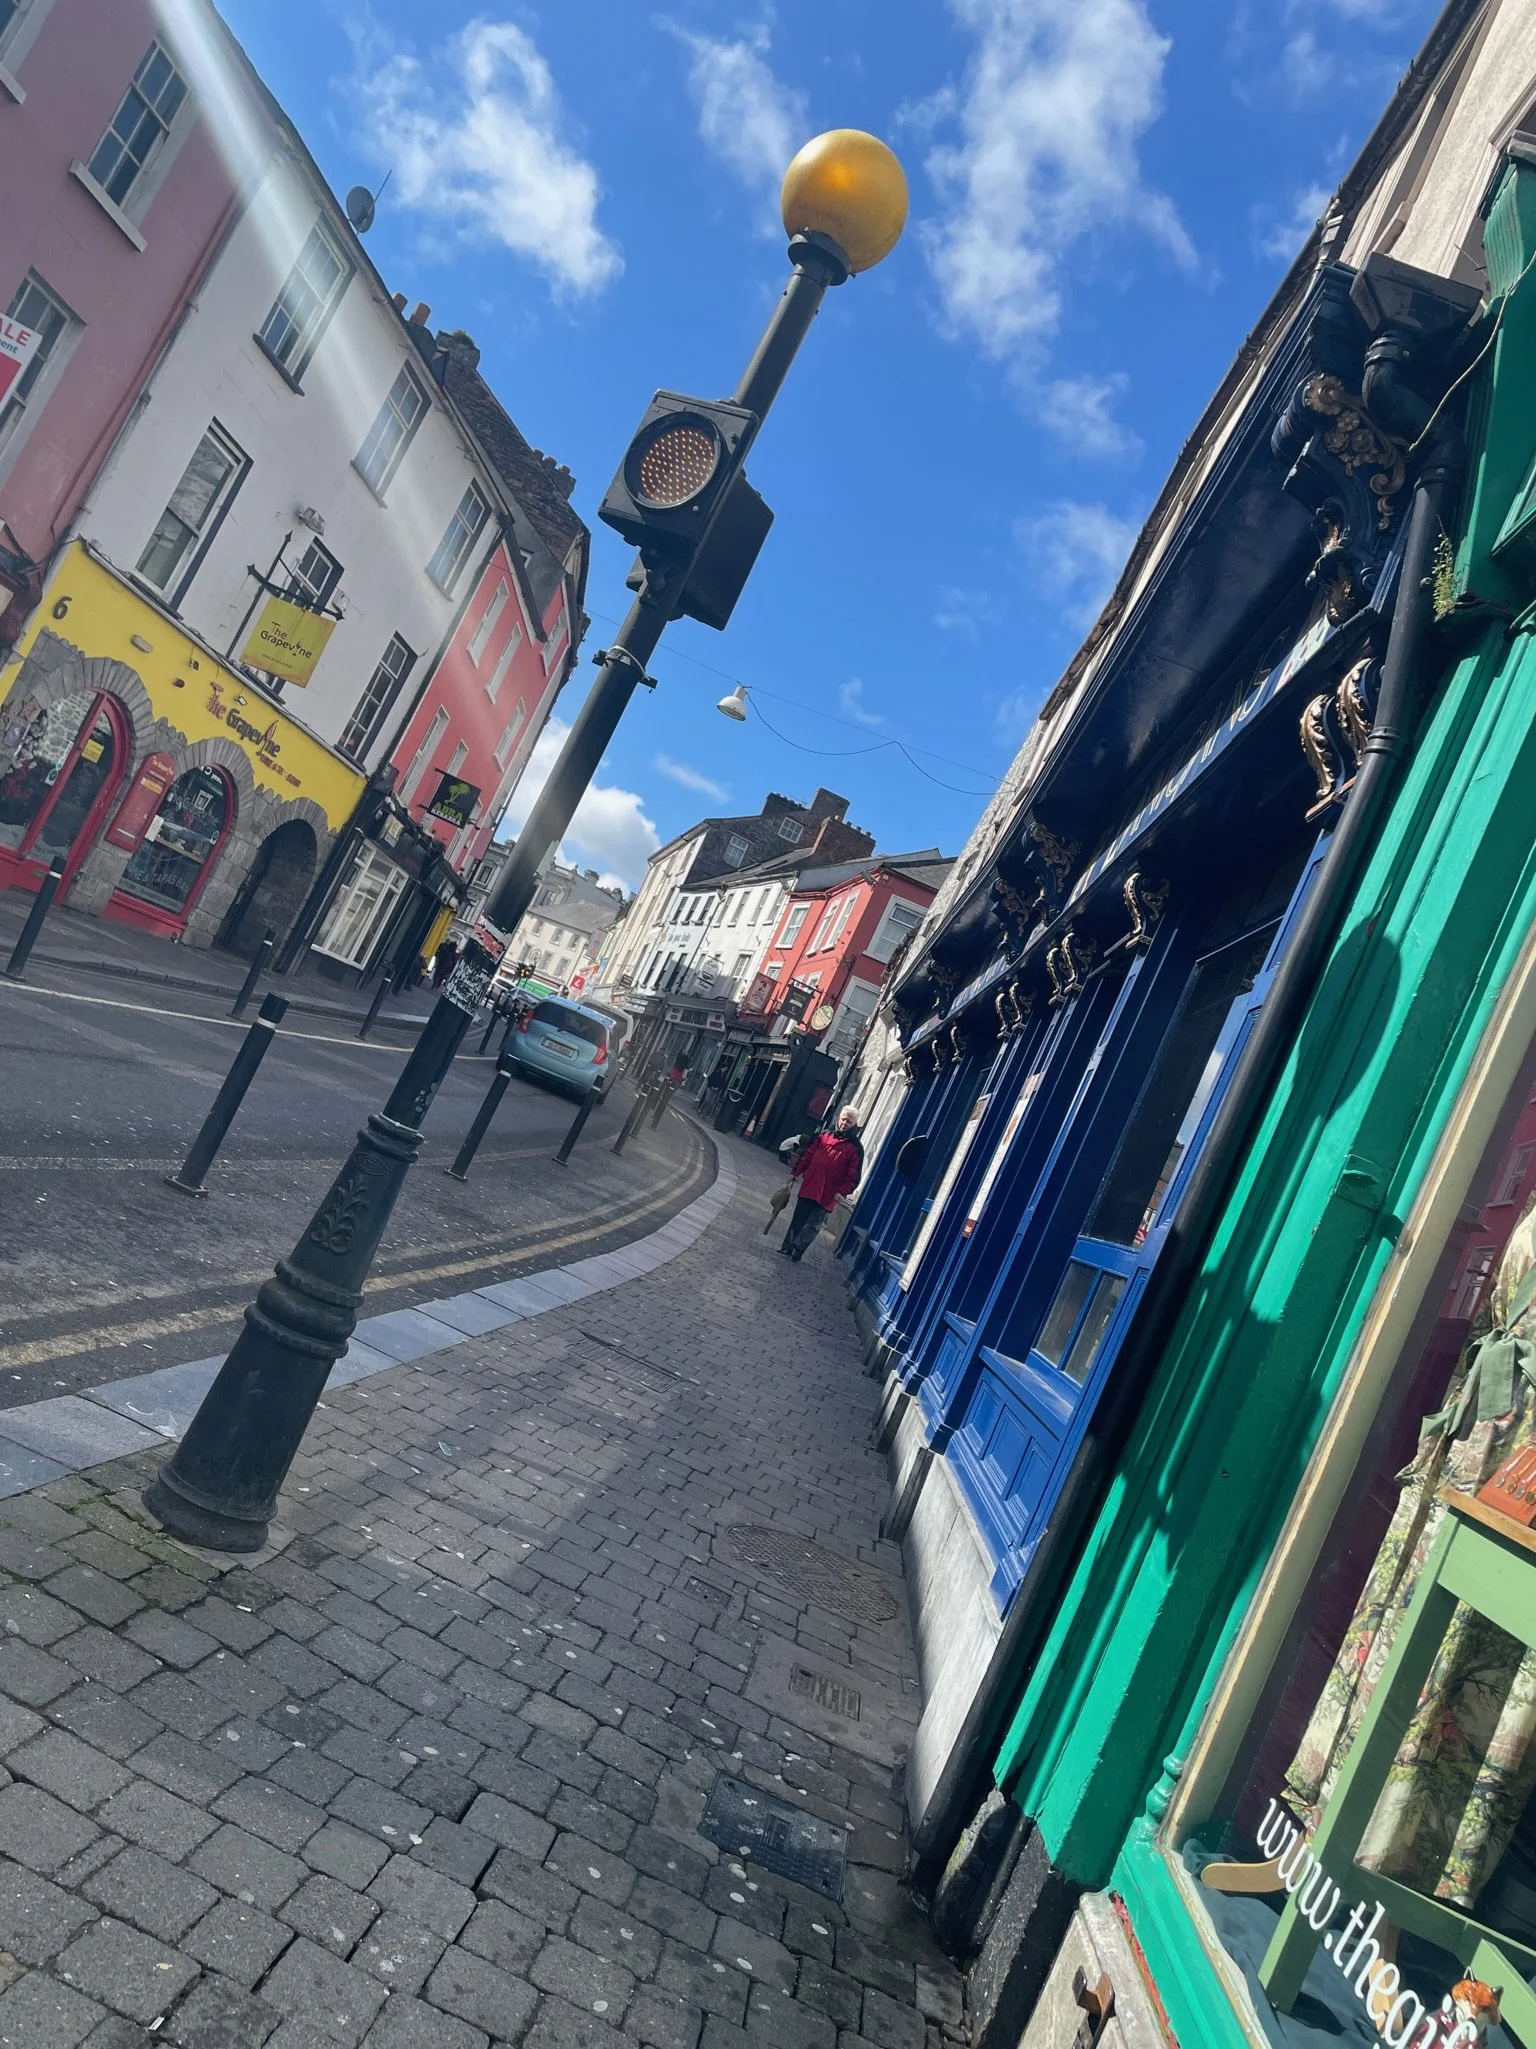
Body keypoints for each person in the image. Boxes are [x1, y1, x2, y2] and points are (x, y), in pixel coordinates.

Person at [780, 1109, 864, 1262]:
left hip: (829, 1192)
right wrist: (795, 1173)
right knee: (798, 1218)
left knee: (813, 1225)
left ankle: (798, 1250)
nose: (845, 1124)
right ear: (839, 1118)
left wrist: (842, 1192)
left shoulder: (855, 1148)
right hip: (811, 1183)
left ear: (854, 1125)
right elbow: (807, 1155)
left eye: (849, 1122)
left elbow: (853, 1176)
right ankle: (787, 1246)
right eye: (844, 1119)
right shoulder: (823, 1135)